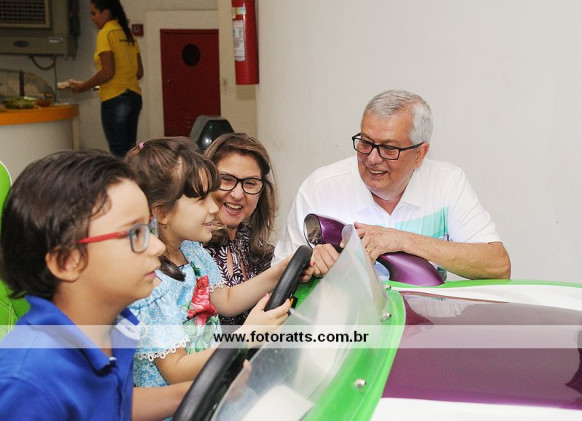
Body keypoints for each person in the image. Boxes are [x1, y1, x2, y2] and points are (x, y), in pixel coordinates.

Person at [0, 150, 191, 420]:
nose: (158, 246)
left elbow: (113, 405)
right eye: (136, 233)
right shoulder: (28, 383)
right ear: (67, 261)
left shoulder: (113, 327)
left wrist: (194, 391)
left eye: (149, 228)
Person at [274, 89, 511, 281]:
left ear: (420, 154)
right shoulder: (320, 188)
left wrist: (403, 240)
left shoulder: (447, 182)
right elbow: (278, 275)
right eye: (365, 143)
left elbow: (498, 266)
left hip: (425, 319)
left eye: (389, 148)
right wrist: (308, 267)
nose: (372, 158)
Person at [124, 138, 301, 389]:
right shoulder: (151, 284)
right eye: (201, 199)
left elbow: (226, 300)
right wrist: (244, 337)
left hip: (210, 385)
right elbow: (176, 370)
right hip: (179, 402)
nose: (213, 207)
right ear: (162, 212)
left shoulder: (192, 252)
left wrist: (281, 271)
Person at [203, 133, 278, 326]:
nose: (237, 194)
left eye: (250, 183)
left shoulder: (255, 245)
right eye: (226, 179)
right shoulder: (191, 249)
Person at [70, 0, 143, 157]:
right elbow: (138, 72)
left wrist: (83, 86)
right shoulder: (129, 34)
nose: (92, 18)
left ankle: (122, 173)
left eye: (94, 13)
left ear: (106, 13)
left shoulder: (105, 33)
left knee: (119, 152)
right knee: (130, 151)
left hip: (115, 98)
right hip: (134, 97)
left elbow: (107, 72)